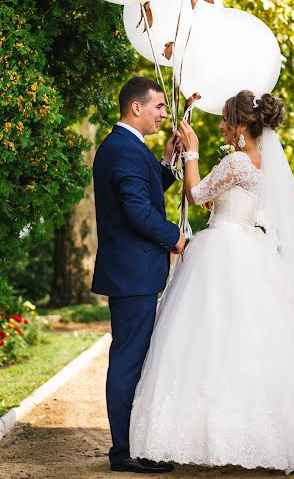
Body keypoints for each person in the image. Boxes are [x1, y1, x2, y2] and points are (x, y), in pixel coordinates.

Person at [128, 90, 294, 475]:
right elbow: (224, 200)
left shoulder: (235, 161)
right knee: (245, 339)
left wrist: (190, 151)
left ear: (242, 125)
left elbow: (195, 195)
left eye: (227, 120)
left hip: (223, 250)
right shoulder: (258, 161)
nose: (222, 126)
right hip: (246, 247)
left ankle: (215, 435)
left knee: (211, 338)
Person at [92, 77, 185, 473]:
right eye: (159, 107)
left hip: (135, 273)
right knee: (128, 360)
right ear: (136, 107)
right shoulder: (123, 149)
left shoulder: (128, 147)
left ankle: (133, 444)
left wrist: (165, 163)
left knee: (134, 357)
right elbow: (138, 212)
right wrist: (175, 238)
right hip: (132, 275)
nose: (164, 114)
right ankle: (124, 453)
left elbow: (145, 192)